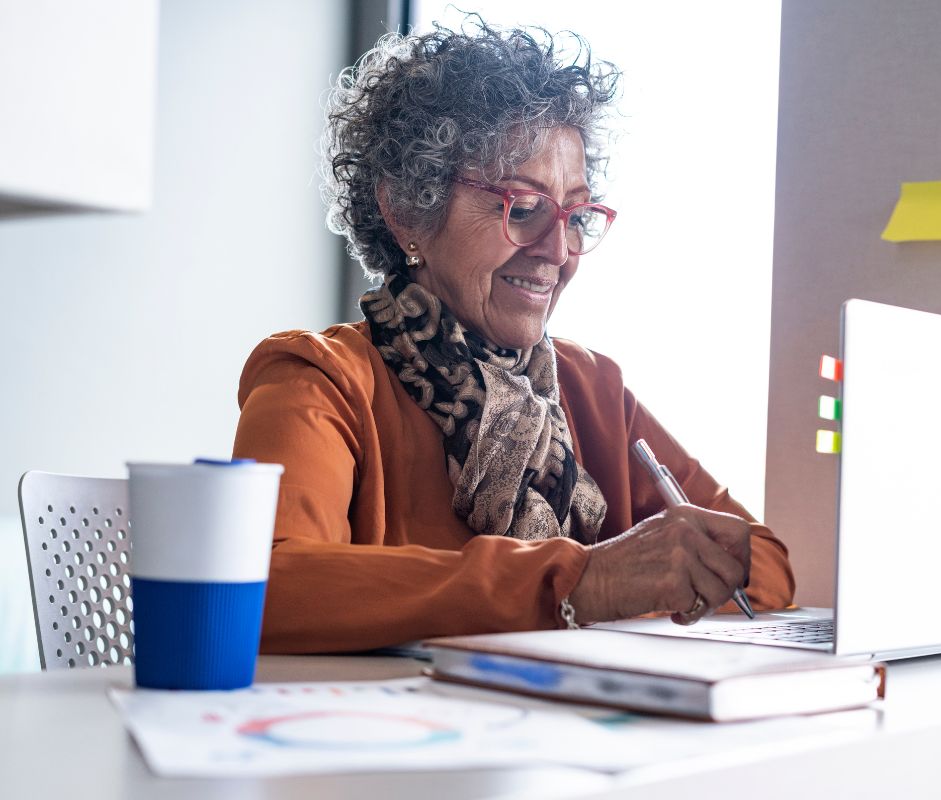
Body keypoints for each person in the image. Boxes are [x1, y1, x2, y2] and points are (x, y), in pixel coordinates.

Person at [232, 19, 795, 653]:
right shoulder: (319, 379)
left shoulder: (594, 390)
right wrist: (583, 583)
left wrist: (691, 564)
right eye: (522, 209)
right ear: (405, 210)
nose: (557, 249)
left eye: (576, 215)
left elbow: (769, 565)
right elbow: (261, 590)